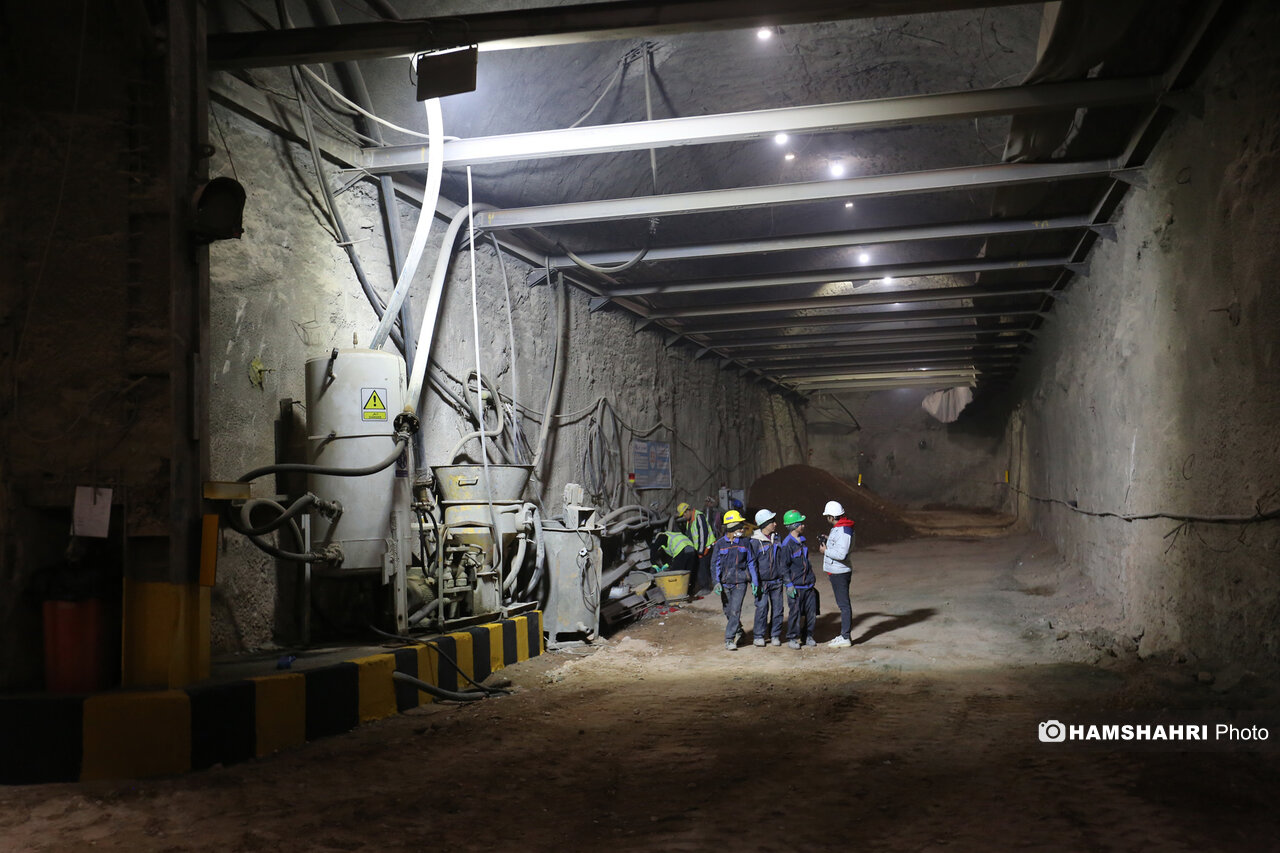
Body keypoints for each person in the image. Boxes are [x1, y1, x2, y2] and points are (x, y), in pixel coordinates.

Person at [710, 509, 758, 650]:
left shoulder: (745, 543)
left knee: (735, 610)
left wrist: (754, 581)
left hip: (740, 582)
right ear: (731, 527)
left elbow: (751, 562)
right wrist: (716, 582)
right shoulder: (720, 544)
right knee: (728, 610)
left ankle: (729, 639)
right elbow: (715, 564)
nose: (742, 529)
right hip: (725, 583)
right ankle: (739, 631)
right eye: (739, 527)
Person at [778, 510, 817, 648]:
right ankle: (792, 638)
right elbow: (783, 567)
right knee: (795, 613)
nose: (803, 525)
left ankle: (808, 636)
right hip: (796, 586)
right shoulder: (787, 544)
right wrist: (789, 584)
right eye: (800, 523)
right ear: (794, 526)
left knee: (811, 613)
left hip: (808, 584)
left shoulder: (802, 541)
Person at [820, 499, 855, 648]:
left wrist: (825, 551)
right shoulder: (840, 528)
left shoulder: (843, 530)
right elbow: (840, 544)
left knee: (844, 605)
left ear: (831, 516)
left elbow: (841, 554)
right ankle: (844, 635)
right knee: (843, 604)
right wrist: (829, 540)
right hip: (837, 571)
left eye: (827, 516)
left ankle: (845, 637)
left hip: (840, 572)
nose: (827, 518)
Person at [749, 509, 784, 647]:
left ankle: (775, 635)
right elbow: (751, 563)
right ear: (764, 524)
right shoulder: (754, 541)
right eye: (772, 522)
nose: (775, 524)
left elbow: (781, 559)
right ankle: (759, 635)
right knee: (762, 608)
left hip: (777, 581)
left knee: (778, 609)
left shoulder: (777, 538)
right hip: (762, 582)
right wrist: (755, 581)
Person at [674, 500, 715, 594]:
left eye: (684, 514)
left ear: (687, 511)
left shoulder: (698, 516)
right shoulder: (689, 521)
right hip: (698, 548)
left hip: (705, 547)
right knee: (700, 568)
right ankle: (704, 586)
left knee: (702, 568)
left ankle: (706, 588)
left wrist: (701, 551)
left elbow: (703, 534)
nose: (684, 517)